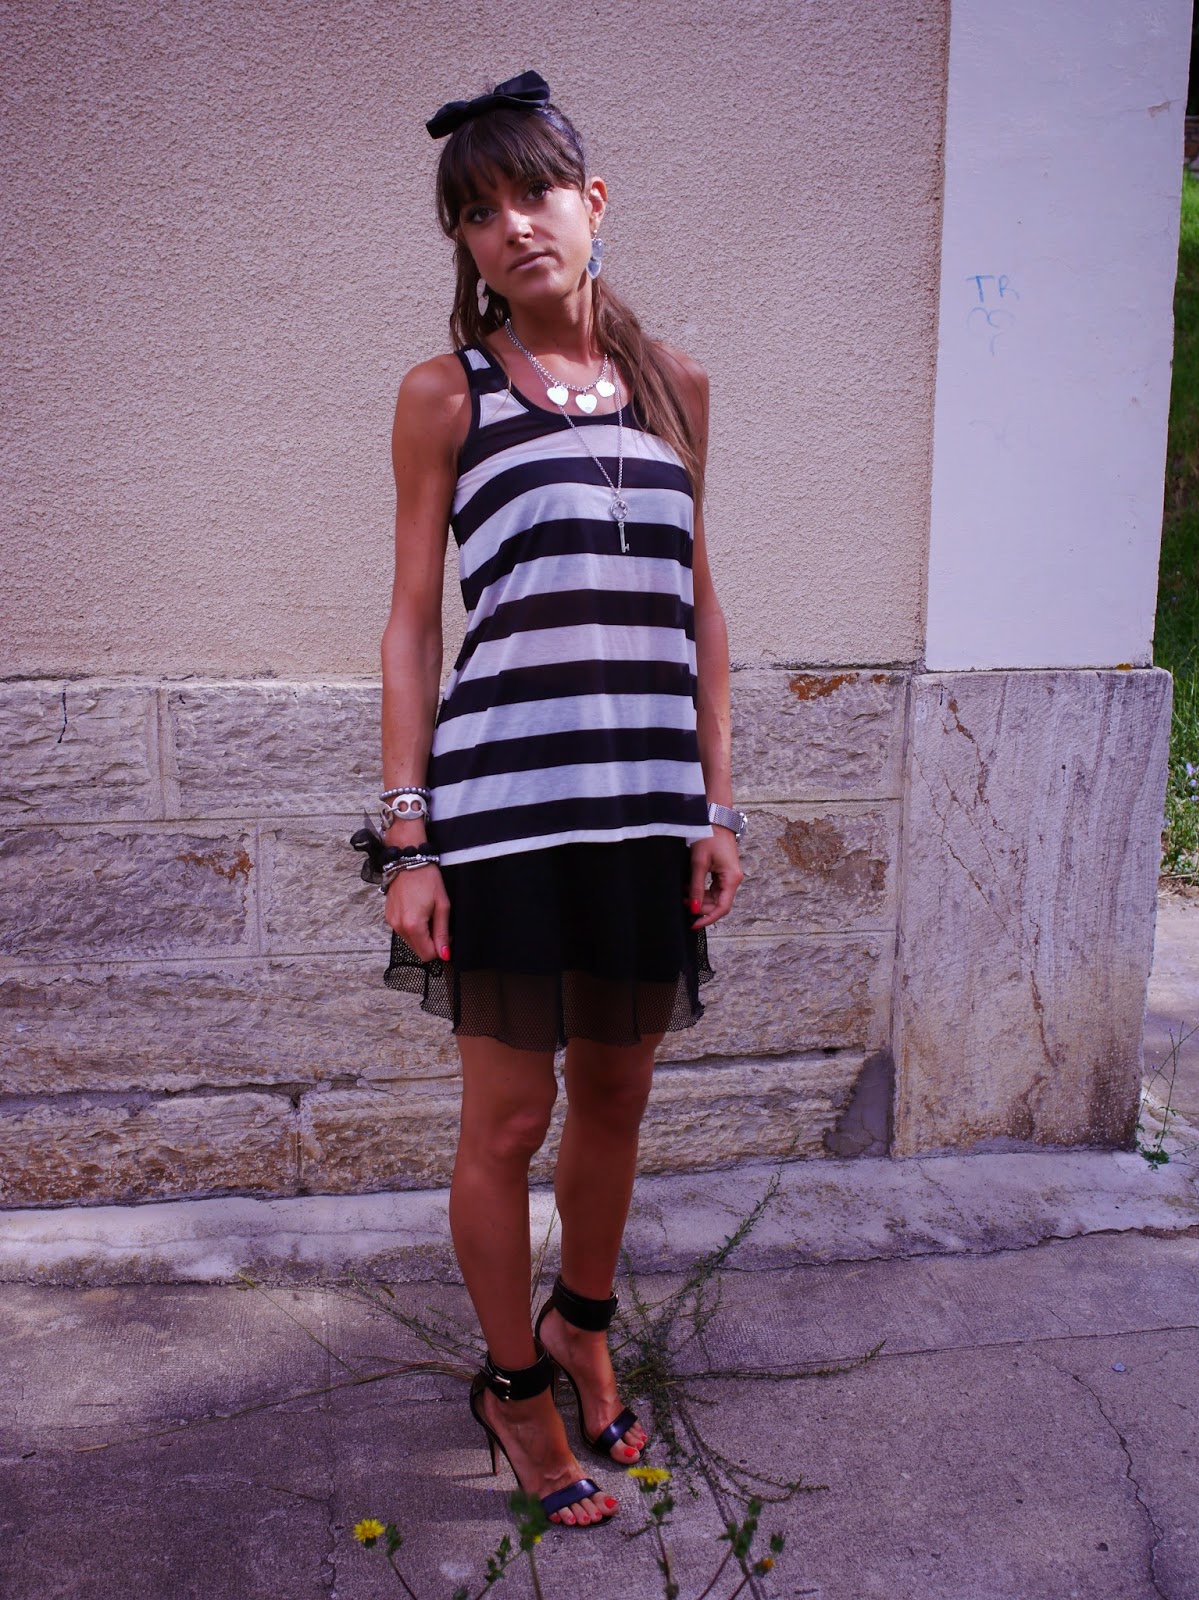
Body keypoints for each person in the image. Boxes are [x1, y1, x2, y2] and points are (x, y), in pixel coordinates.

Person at [372, 71, 746, 1529]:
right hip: (507, 811)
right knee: (510, 1117)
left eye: (533, 193)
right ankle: (516, 1387)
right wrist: (406, 834)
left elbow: (701, 610)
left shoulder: (677, 386)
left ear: (592, 203)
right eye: (478, 211)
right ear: (465, 243)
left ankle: (584, 1326)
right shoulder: (445, 396)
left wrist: (717, 808)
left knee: (622, 1090)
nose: (512, 226)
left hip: (648, 810)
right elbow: (414, 621)